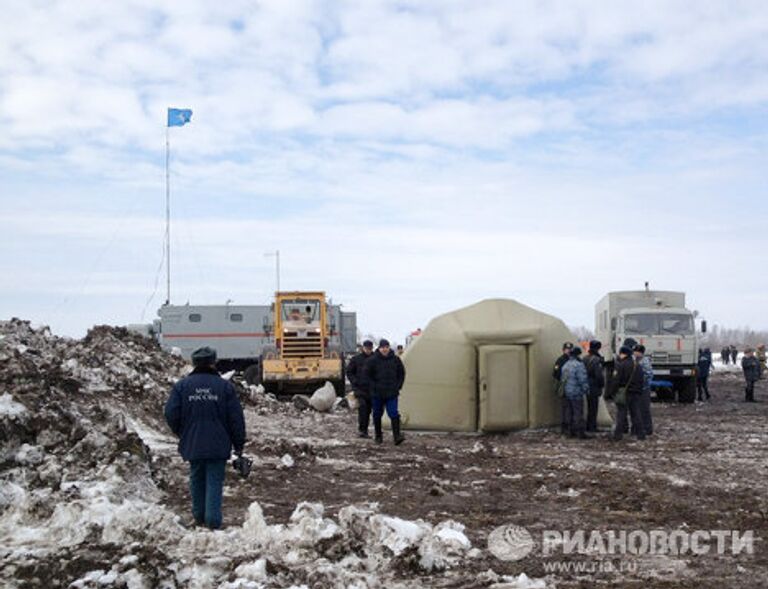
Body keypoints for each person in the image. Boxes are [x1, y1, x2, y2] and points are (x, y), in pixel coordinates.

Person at [164, 347, 246, 529]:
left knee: (196, 477)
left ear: (194, 363)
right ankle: (213, 521)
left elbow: (170, 413)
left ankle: (199, 518)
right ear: (213, 363)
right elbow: (236, 419)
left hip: (192, 442)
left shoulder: (182, 387)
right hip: (218, 443)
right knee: (214, 479)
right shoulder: (224, 387)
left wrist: (182, 432)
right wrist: (238, 444)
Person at [366, 339, 406, 445]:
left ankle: (397, 436)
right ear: (379, 348)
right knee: (377, 414)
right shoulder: (372, 360)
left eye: (386, 347)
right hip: (377, 393)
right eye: (382, 347)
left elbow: (401, 373)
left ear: (389, 348)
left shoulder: (396, 360)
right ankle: (378, 436)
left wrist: (398, 386)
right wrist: (372, 387)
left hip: (391, 393)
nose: (384, 349)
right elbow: (366, 375)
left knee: (393, 413)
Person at [608, 346, 645, 441]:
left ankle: (617, 435)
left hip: (624, 393)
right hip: (636, 393)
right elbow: (642, 380)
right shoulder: (637, 365)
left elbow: (616, 380)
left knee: (621, 414)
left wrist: (612, 392)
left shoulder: (621, 365)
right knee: (636, 414)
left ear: (623, 353)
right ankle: (641, 434)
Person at [346, 340, 375, 437]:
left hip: (372, 389)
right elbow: (349, 372)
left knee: (371, 410)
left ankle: (374, 430)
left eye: (370, 349)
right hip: (360, 389)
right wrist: (354, 381)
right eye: (366, 349)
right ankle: (363, 431)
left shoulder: (376, 358)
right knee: (363, 408)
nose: (368, 351)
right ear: (363, 348)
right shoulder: (356, 359)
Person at [561, 346, 589, 438]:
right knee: (578, 412)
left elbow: (563, 379)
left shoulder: (565, 365)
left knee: (568, 412)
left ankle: (569, 432)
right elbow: (582, 380)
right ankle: (579, 433)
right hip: (576, 392)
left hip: (567, 392)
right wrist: (586, 389)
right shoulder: (579, 365)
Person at [552, 342, 574, 434]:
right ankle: (565, 426)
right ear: (563, 350)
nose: (568, 351)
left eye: (570, 349)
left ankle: (569, 426)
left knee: (570, 407)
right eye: (567, 349)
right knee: (565, 407)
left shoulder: (573, 360)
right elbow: (556, 374)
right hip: (564, 386)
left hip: (572, 387)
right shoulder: (560, 360)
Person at [584, 340, 605, 433]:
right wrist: (602, 385)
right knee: (593, 407)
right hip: (594, 386)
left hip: (586, 385)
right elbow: (599, 376)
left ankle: (589, 425)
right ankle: (592, 427)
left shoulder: (585, 358)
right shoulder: (597, 360)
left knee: (589, 407)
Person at [633, 344, 654, 436]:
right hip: (637, 388)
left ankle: (647, 428)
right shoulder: (636, 360)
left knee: (644, 409)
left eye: (635, 351)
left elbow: (649, 375)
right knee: (637, 409)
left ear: (640, 352)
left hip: (643, 389)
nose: (634, 353)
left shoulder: (644, 361)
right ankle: (637, 428)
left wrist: (641, 383)